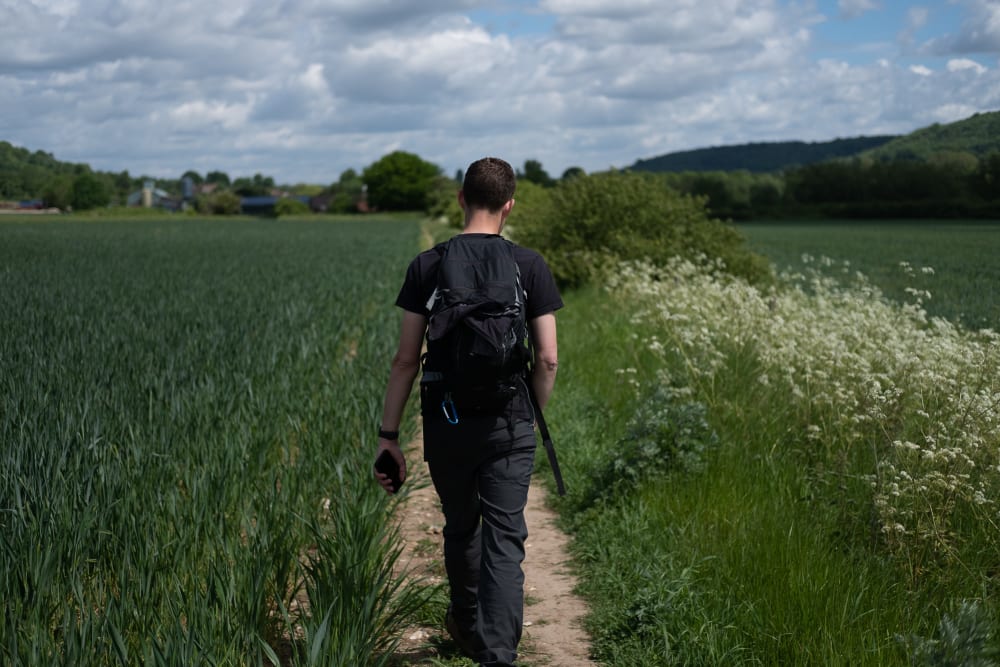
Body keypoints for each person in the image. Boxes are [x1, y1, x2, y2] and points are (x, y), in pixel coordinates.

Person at [374, 157, 562, 667]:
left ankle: (464, 621)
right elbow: (547, 358)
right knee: (506, 538)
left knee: (461, 524)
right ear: (509, 205)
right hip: (509, 420)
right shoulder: (530, 266)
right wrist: (526, 416)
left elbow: (405, 359)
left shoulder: (428, 266)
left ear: (460, 198)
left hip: (446, 421)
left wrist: (389, 437)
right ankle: (496, 654)